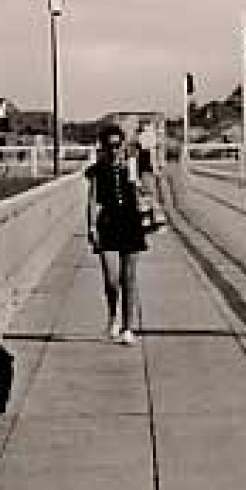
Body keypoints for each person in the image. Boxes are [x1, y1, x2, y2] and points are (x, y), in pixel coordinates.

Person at [85, 124, 147, 344]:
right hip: (107, 224)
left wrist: (138, 181)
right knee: (112, 279)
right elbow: (92, 200)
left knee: (128, 278)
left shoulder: (131, 166)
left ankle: (128, 327)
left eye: (117, 145)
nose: (113, 150)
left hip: (131, 223)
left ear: (122, 145)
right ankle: (113, 317)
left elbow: (146, 190)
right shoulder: (96, 170)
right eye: (109, 145)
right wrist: (91, 227)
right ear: (102, 147)